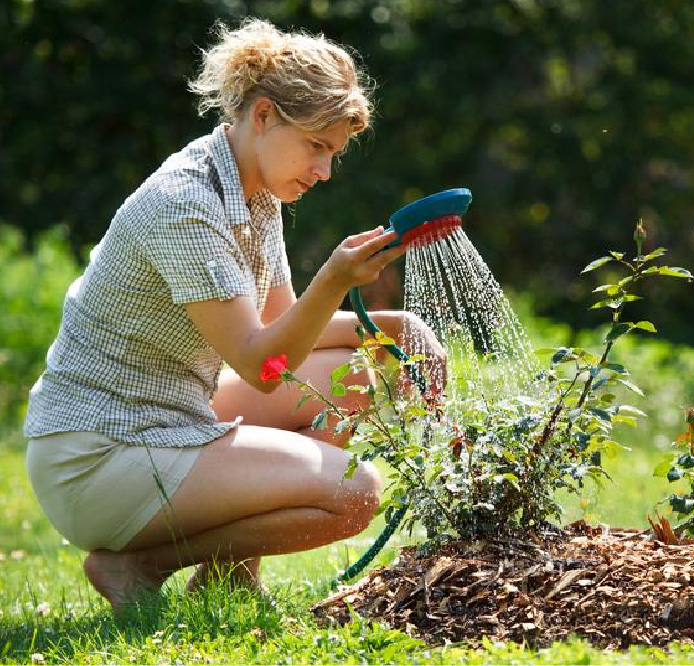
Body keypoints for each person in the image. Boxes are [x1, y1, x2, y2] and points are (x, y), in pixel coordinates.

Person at [23, 18, 445, 612]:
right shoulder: (186, 205)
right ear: (264, 116)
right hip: (99, 454)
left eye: (334, 153)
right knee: (354, 494)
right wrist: (334, 280)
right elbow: (264, 365)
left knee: (356, 368)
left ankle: (228, 577)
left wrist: (401, 329)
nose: (324, 171)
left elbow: (284, 333)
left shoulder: (255, 193)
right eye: (317, 147)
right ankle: (139, 564)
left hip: (172, 416)